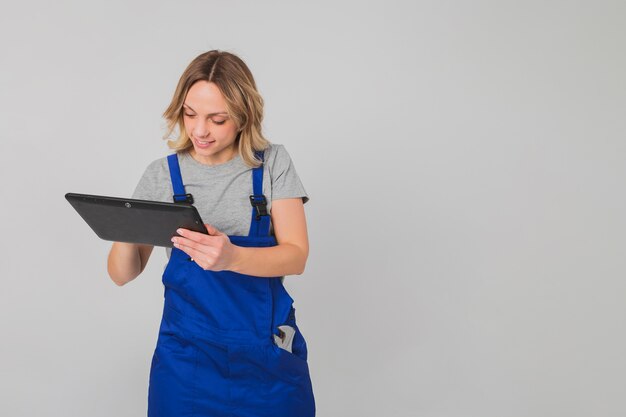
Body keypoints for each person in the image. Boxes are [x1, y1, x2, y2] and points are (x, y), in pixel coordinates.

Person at [107, 50, 316, 417]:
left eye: (217, 119)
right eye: (190, 114)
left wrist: (232, 256)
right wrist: (123, 224)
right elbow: (122, 274)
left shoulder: (272, 165)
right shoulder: (162, 175)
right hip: (186, 363)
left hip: (264, 357)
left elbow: (296, 256)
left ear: (243, 116)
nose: (200, 130)